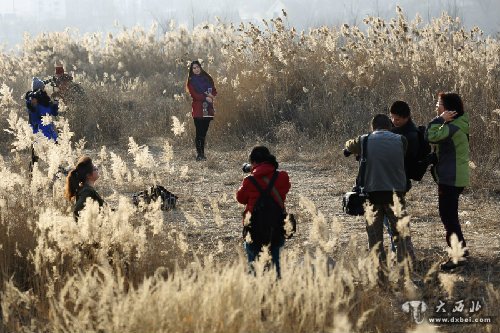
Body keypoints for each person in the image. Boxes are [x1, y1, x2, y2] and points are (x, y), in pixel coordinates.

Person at [345, 114, 412, 282]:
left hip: (372, 195)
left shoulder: (365, 139)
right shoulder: (401, 139)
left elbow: (348, 146)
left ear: (372, 126)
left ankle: (380, 276)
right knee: (401, 236)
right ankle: (404, 275)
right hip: (396, 195)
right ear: (389, 126)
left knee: (375, 238)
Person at [426, 92, 470, 270]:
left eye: (439, 104)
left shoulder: (453, 128)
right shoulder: (457, 124)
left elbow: (431, 136)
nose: (437, 107)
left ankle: (456, 256)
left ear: (449, 109)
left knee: (448, 217)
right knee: (450, 215)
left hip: (451, 178)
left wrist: (438, 119)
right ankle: (462, 250)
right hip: (455, 176)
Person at [236, 146, 290, 278]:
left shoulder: (249, 181)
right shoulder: (282, 177)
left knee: (253, 262)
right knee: (276, 260)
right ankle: (277, 286)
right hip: (276, 226)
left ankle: (256, 287)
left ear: (253, 162)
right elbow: (286, 188)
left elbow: (240, 198)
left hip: (254, 228)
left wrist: (252, 172)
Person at [186, 60, 217, 161]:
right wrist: (206, 97)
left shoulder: (207, 78)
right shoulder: (191, 81)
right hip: (198, 109)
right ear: (192, 70)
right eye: (194, 68)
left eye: (197, 67)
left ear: (200, 67)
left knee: (204, 133)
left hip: (208, 109)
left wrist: (212, 95)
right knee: (199, 132)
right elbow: (194, 95)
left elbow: (214, 90)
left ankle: (202, 154)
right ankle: (200, 155)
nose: (196, 69)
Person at [25, 77, 59, 168]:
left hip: (44, 131)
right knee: (38, 158)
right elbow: (38, 114)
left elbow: (54, 112)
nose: (44, 90)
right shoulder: (33, 100)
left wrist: (55, 103)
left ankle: (56, 171)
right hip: (41, 132)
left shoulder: (43, 100)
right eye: (43, 88)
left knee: (37, 158)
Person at [64, 156, 104, 220]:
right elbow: (76, 211)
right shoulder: (87, 191)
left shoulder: (86, 189)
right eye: (95, 169)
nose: (97, 168)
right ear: (88, 175)